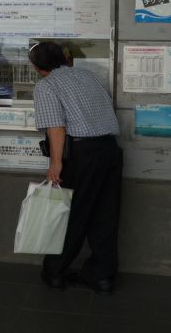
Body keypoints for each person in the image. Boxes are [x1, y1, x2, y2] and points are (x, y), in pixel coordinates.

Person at [29, 41, 122, 295]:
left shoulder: (47, 85)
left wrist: (55, 163)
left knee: (71, 212)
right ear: (64, 58)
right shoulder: (87, 75)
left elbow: (56, 128)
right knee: (105, 214)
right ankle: (102, 276)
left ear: (37, 68)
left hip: (82, 155)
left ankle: (55, 271)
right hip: (110, 150)